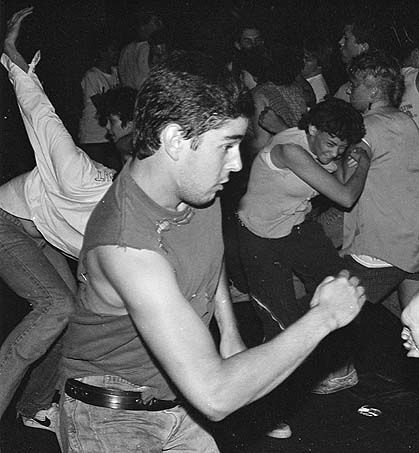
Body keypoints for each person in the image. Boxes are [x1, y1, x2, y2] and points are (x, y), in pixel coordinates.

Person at [58, 51, 366, 452]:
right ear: (173, 140)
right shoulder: (127, 247)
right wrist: (324, 316)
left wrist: (229, 330)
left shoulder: (195, 187)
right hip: (113, 419)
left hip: (179, 402)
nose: (236, 164)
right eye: (227, 146)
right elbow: (216, 395)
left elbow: (206, 251)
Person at [0, 8, 132, 428]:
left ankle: (34, 404)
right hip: (7, 220)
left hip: (42, 234)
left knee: (75, 311)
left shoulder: (135, 218)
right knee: (55, 306)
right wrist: (11, 54)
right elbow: (41, 113)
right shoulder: (81, 175)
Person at [342, 50, 419, 307]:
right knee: (412, 324)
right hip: (410, 239)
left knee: (334, 318)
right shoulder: (407, 121)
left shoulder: (364, 128)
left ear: (373, 92)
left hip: (379, 246)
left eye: (354, 86)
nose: (349, 92)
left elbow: (344, 186)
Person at [78, 33, 120, 169]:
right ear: (102, 52)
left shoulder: (116, 72)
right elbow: (101, 105)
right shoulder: (92, 76)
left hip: (111, 135)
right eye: (113, 49)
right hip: (93, 137)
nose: (117, 53)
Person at [118, 9, 164, 90]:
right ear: (143, 26)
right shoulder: (150, 48)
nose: (161, 25)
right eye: (156, 22)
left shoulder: (124, 50)